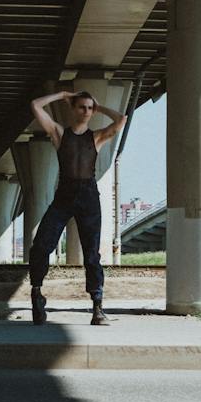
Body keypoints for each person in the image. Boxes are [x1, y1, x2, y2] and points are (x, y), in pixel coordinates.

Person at [26, 89, 125, 325]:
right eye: (82, 107)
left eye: (90, 108)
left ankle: (97, 307)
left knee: (92, 254)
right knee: (41, 245)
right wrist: (60, 95)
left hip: (89, 197)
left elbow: (121, 120)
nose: (86, 112)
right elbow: (35, 105)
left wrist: (100, 107)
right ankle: (37, 294)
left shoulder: (97, 137)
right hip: (64, 196)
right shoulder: (60, 134)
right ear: (73, 109)